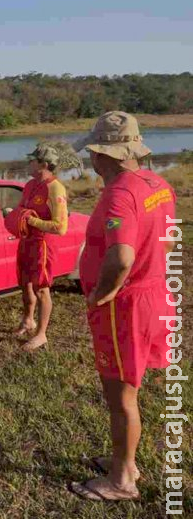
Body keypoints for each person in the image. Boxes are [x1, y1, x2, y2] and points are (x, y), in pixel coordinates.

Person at [70, 111, 176, 501]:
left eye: (93, 152)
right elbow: (166, 237)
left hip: (125, 304)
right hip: (153, 295)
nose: (91, 160)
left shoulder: (120, 193)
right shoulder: (158, 183)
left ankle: (121, 481)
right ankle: (125, 461)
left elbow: (122, 256)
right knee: (130, 389)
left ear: (105, 154)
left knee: (120, 398)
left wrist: (103, 291)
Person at [12, 143, 69, 351]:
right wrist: (15, 216)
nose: (29, 163)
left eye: (33, 160)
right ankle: (28, 320)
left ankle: (41, 334)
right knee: (25, 284)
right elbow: (22, 209)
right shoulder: (29, 185)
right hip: (26, 241)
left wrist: (32, 221)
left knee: (42, 289)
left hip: (43, 245)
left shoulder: (55, 188)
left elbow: (60, 227)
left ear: (44, 164)